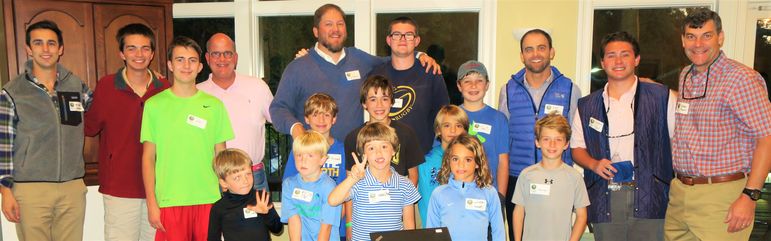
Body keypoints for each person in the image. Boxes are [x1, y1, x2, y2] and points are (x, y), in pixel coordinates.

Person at [665, 8, 771, 240]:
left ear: (720, 37)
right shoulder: (686, 75)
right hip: (680, 194)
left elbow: (767, 138)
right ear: (683, 40)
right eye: (691, 36)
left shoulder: (741, 78)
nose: (698, 44)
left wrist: (750, 196)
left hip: (722, 197)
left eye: (707, 36)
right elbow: (697, 110)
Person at [270, 3, 438, 142]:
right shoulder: (298, 68)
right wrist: (296, 128)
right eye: (328, 24)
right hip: (313, 158)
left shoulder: (358, 59)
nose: (335, 29)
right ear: (316, 31)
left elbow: (389, 61)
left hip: (352, 157)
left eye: (340, 24)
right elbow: (278, 108)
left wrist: (419, 55)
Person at [571, 31, 676, 241]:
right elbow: (576, 148)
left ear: (636, 59)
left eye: (625, 54)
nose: (618, 61)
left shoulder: (661, 97)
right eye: (611, 55)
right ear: (603, 62)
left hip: (651, 197)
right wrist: (594, 165)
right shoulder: (586, 105)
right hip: (605, 197)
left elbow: (678, 142)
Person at [0, 19, 90, 241]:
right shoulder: (12, 92)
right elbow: (3, 146)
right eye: (38, 43)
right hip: (31, 190)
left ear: (60, 49)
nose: (46, 49)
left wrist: (149, 80)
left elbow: (104, 108)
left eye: (51, 43)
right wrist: (5, 191)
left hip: (71, 187)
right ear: (29, 49)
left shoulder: (76, 85)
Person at [140, 36, 234, 240]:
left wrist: (227, 195)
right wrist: (151, 202)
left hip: (208, 199)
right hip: (170, 200)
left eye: (192, 60)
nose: (186, 65)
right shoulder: (154, 105)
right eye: (180, 59)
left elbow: (221, 155)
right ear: (170, 65)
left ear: (200, 66)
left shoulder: (215, 105)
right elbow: (148, 158)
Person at [84, 23, 170, 241]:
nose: (139, 54)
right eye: (132, 48)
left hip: (159, 187)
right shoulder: (106, 86)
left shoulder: (164, 89)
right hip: (119, 187)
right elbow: (90, 127)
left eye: (145, 48)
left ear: (152, 54)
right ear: (121, 53)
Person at [498, 29, 582, 239]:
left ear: (551, 52)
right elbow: (503, 138)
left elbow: (575, 136)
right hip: (518, 177)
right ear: (522, 55)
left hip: (558, 177)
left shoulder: (570, 89)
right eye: (529, 49)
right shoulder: (507, 90)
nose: (535, 54)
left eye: (541, 48)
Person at [198, 33, 273, 191]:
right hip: (211, 179)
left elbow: (280, 119)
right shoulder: (197, 93)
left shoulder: (257, 87)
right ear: (207, 58)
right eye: (216, 54)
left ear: (236, 58)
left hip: (252, 177)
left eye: (228, 53)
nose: (222, 59)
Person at [369, 16, 450, 153]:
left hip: (423, 155)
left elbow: (444, 115)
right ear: (389, 40)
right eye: (396, 34)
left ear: (416, 41)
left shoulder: (430, 73)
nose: (402, 39)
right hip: (383, 155)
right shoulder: (376, 75)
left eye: (408, 35)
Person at [329, 122, 421, 241]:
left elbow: (409, 226)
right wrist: (352, 178)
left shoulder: (405, 184)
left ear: (394, 150)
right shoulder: (357, 182)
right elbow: (332, 201)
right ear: (363, 154)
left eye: (384, 146)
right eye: (371, 148)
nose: (378, 153)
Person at [281, 93, 348, 241]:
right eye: (315, 114)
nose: (321, 120)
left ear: (334, 119)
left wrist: (343, 222)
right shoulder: (297, 152)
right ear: (306, 118)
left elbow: (347, 191)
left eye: (326, 115)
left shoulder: (343, 150)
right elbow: (291, 189)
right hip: (305, 229)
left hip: (335, 225)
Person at [512, 114, 589, 241]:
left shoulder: (574, 177)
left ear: (566, 144)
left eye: (558, 139)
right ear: (537, 142)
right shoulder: (526, 175)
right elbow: (519, 211)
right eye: (546, 139)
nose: (552, 144)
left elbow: (582, 216)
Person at [344, 75, 424, 184]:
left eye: (385, 99)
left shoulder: (406, 133)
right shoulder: (353, 138)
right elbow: (349, 180)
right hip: (365, 194)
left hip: (398, 193)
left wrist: (405, 195)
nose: (379, 105)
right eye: (373, 99)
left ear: (392, 102)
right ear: (364, 103)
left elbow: (413, 176)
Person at [425, 134, 505, 241]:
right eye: (455, 159)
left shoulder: (489, 193)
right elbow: (432, 233)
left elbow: (498, 232)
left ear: (477, 163)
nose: (460, 165)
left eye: (467, 160)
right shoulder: (438, 194)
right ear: (449, 161)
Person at [456, 60, 509, 198]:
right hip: (456, 193)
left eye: (479, 80)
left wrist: (500, 197)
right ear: (459, 86)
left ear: (487, 85)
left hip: (488, 194)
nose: (473, 85)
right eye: (467, 81)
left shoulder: (499, 119)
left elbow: (503, 162)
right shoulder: (452, 117)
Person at [208, 148, 282, 241]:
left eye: (248, 174)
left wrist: (266, 214)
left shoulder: (261, 198)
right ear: (224, 183)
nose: (245, 181)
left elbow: (278, 229)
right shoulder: (219, 208)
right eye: (237, 177)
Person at [282, 131, 342, 241]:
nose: (303, 161)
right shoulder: (289, 185)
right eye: (299, 155)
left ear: (322, 160)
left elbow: (326, 227)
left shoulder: (329, 186)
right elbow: (294, 220)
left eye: (310, 156)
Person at [417, 105, 468, 223]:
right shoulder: (427, 161)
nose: (453, 130)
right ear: (438, 130)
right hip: (436, 225)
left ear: (465, 130)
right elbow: (426, 200)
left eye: (458, 126)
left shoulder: (471, 160)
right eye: (447, 125)